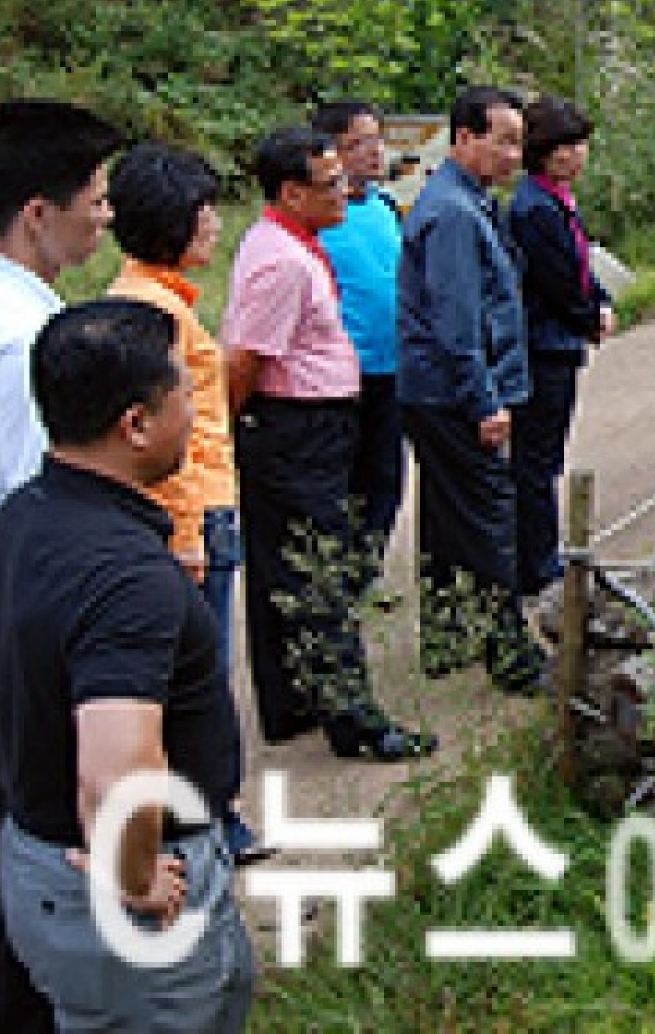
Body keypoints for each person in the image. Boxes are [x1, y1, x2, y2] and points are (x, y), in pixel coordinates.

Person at [0, 298, 254, 1032]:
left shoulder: (23, 516)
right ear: (135, 424)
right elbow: (113, 776)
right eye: (185, 397)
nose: (197, 415)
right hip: (122, 900)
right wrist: (134, 875)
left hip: (41, 858)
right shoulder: (124, 577)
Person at [222, 127, 434, 760]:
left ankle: (295, 701)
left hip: (310, 423)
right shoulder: (280, 261)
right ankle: (354, 720)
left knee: (287, 570)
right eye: (331, 183)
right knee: (320, 570)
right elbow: (245, 361)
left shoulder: (295, 244)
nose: (346, 192)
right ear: (291, 192)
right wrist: (251, 428)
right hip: (294, 428)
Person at [0, 98, 121, 1034]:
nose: (106, 216)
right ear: (40, 209)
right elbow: (37, 512)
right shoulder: (22, 342)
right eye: (98, 197)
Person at [106, 142, 270, 865]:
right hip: (191, 518)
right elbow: (154, 434)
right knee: (195, 680)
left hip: (207, 507)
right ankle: (204, 819)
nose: (213, 225)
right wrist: (184, 533)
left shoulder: (165, 300)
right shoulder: (149, 312)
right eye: (203, 212)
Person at [399, 85, 550, 695]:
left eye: (519, 143)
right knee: (489, 514)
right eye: (503, 140)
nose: (513, 155)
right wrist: (484, 400)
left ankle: (445, 633)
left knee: (445, 511)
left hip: (439, 389)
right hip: (451, 392)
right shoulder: (454, 214)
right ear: (465, 137)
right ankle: (509, 651)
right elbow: (455, 321)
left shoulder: (467, 202)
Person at [508, 97, 615, 631]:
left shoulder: (556, 202)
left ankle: (538, 556)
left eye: (579, 145)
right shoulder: (533, 208)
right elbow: (554, 280)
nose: (575, 156)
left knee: (545, 453)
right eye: (563, 148)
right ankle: (537, 562)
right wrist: (588, 316)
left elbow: (579, 265)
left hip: (559, 340)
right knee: (537, 459)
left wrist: (598, 300)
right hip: (543, 345)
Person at [311, 101, 406, 576]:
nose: (373, 153)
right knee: (345, 485)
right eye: (359, 143)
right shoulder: (322, 220)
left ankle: (365, 574)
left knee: (386, 480)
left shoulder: (386, 208)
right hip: (342, 378)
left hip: (392, 369)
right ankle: (339, 581)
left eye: (377, 140)